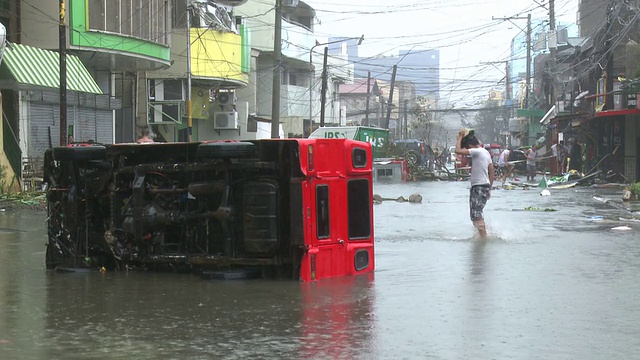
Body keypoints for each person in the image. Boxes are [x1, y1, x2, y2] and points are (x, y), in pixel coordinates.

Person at [455, 128, 494, 240]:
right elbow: (491, 171)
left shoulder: (477, 151)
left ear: (471, 145)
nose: (467, 150)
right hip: (484, 186)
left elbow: (458, 151)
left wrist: (460, 137)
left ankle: (483, 239)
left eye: (467, 147)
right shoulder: (485, 152)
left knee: (476, 214)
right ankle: (480, 237)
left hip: (478, 186)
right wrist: (489, 188)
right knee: (476, 214)